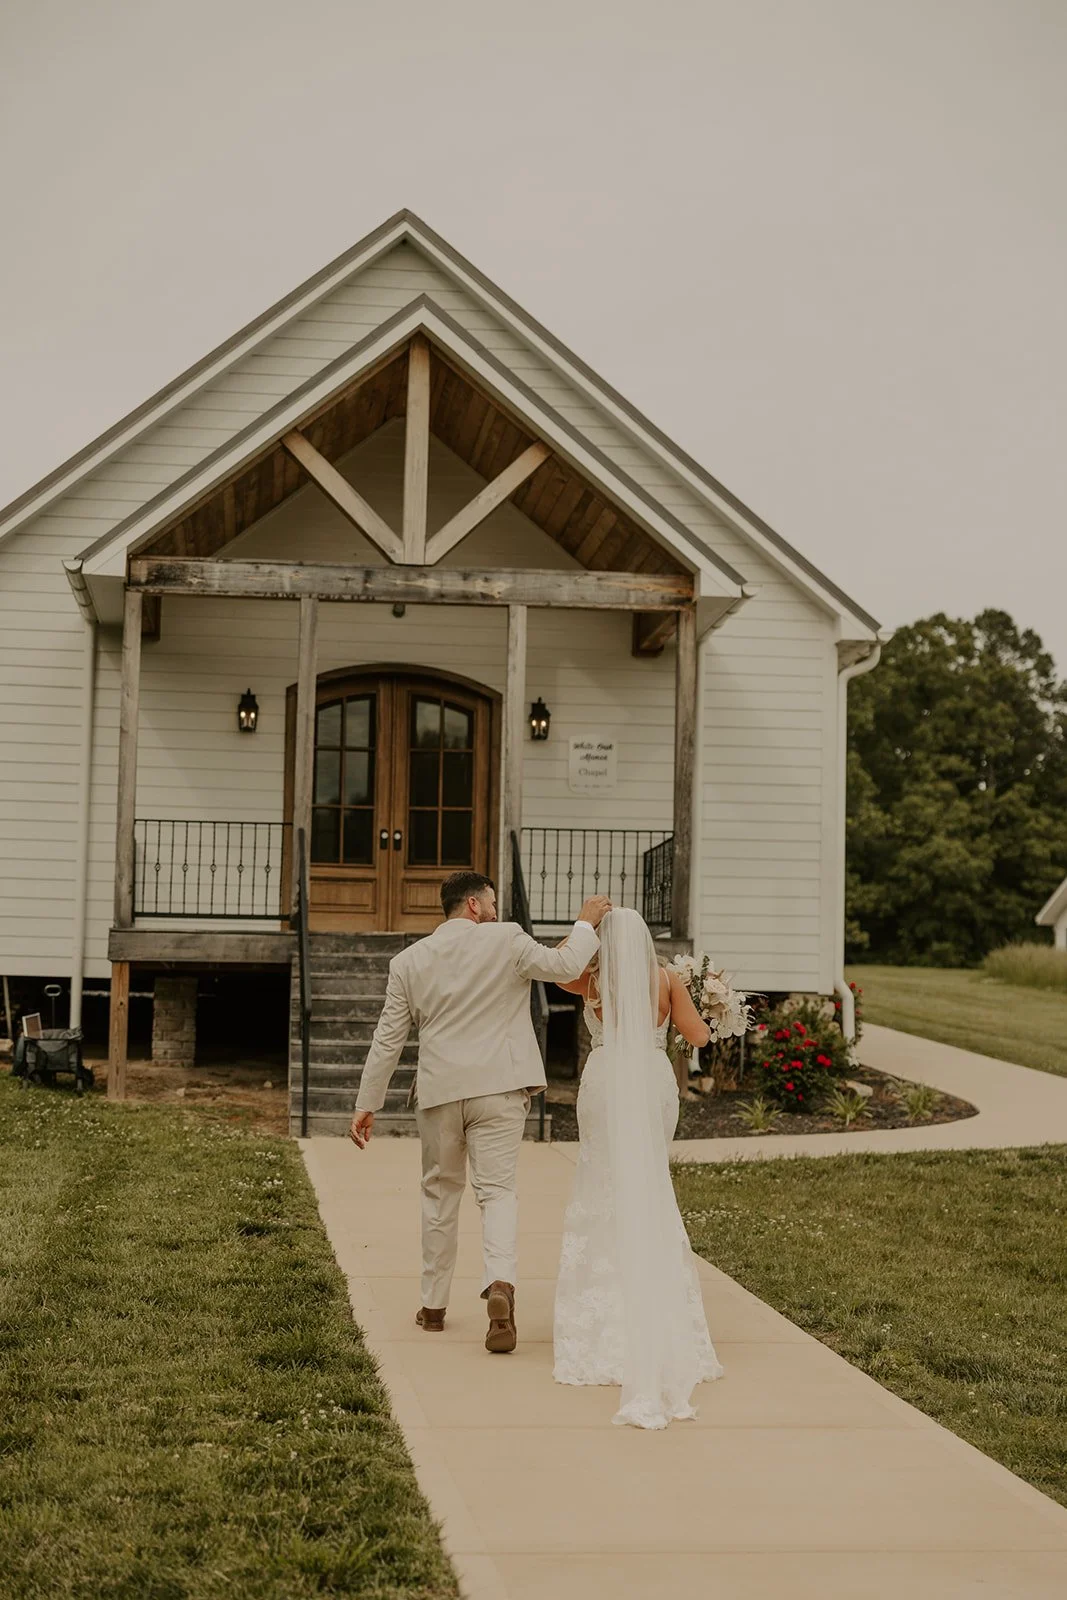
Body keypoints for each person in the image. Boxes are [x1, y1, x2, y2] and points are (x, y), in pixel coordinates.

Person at [349, 870, 610, 1354]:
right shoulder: (507, 939)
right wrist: (585, 922)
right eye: (491, 901)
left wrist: (368, 1103)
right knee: (498, 1194)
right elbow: (565, 964)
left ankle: (432, 1306)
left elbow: (388, 1038)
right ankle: (500, 1287)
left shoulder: (408, 962)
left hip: (440, 1092)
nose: (496, 909)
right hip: (499, 1088)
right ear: (473, 905)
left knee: (439, 1196)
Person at [551, 906, 724, 1428]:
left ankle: (599, 1323)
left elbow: (560, 965)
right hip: (650, 1082)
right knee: (649, 1182)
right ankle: (657, 1307)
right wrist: (698, 1002)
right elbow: (699, 1039)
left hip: (605, 1082)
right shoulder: (667, 979)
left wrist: (582, 929)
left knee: (600, 1183)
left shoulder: (590, 980)